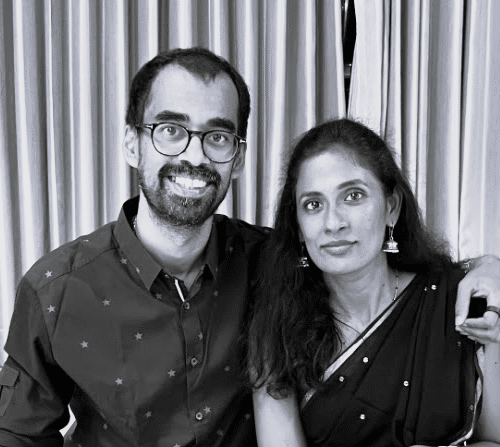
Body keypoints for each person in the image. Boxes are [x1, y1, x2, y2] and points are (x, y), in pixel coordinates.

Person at [0, 48, 498, 447]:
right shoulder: (56, 291)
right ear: (132, 143)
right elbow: (17, 435)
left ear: (237, 158)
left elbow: (376, 269)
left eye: (217, 136)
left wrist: (488, 267)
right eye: (170, 130)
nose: (195, 155)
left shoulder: (269, 261)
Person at [249, 118, 500, 447]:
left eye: (353, 196)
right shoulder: (277, 330)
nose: (333, 223)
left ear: (391, 208)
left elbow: (493, 439)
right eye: (313, 204)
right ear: (297, 226)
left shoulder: (460, 302)